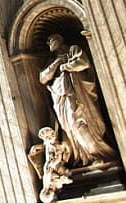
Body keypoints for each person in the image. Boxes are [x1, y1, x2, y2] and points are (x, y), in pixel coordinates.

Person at [39, 34, 116, 166]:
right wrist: (58, 62)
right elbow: (43, 78)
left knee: (80, 124)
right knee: (69, 127)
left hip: (77, 95)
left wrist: (65, 66)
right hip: (61, 99)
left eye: (51, 40)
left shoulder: (73, 50)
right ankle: (83, 157)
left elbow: (84, 63)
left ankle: (100, 154)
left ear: (59, 39)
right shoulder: (52, 60)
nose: (49, 43)